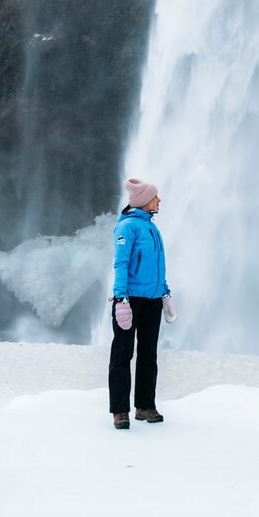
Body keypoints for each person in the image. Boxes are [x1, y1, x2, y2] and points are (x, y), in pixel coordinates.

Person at [109, 177, 177, 429]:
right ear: (144, 201)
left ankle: (145, 406)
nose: (159, 200)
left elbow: (157, 268)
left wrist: (165, 293)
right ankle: (119, 411)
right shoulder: (127, 227)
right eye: (155, 197)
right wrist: (121, 299)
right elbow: (121, 263)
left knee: (149, 354)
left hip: (152, 301)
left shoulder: (152, 228)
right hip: (130, 300)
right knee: (122, 354)